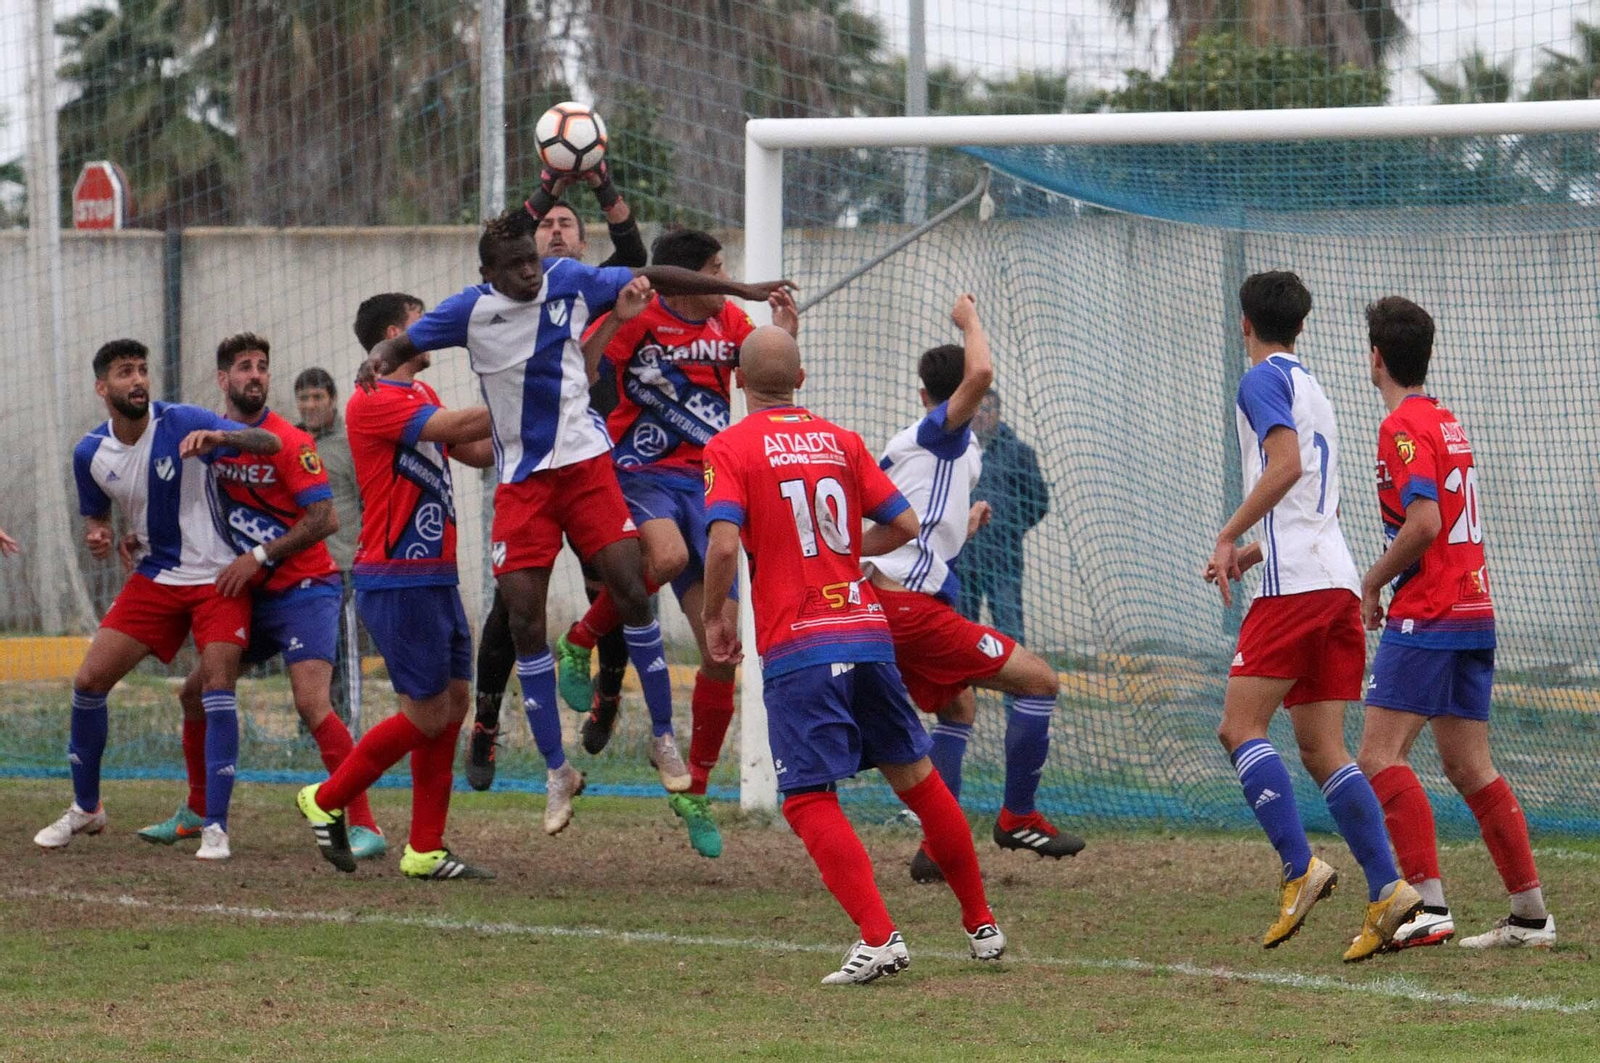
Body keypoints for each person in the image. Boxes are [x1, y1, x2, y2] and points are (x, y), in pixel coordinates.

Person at [360, 210, 794, 836]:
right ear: (489, 274)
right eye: (516, 266)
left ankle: (664, 739)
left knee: (632, 584)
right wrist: (373, 360)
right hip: (530, 483)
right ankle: (556, 770)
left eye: (534, 262)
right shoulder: (465, 311)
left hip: (591, 468)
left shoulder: (567, 277)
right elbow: (399, 345)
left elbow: (648, 269)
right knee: (523, 619)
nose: (531, 274)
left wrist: (747, 293)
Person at [701, 325, 1005, 985]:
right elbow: (904, 525)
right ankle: (982, 923)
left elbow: (724, 545)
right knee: (917, 778)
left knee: (808, 796)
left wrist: (712, 613)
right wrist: (841, 551)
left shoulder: (729, 446)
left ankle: (880, 937)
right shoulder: (841, 440)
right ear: (802, 380)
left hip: (800, 640)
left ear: (739, 382)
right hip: (866, 628)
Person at [554, 228, 799, 857]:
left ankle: (696, 787)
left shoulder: (731, 322)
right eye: (715, 270)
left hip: (711, 480)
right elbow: (581, 373)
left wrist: (784, 332)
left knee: (722, 647)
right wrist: (610, 325)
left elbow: (774, 376)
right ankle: (579, 641)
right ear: (686, 277)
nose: (722, 281)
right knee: (667, 557)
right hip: (640, 474)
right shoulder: (641, 316)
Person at [1205, 271, 1421, 963]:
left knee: (1239, 727)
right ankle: (1388, 887)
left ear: (1246, 323)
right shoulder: (1317, 387)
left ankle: (1301, 867)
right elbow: (1313, 500)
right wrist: (1250, 547)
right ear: (1302, 326)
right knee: (1324, 747)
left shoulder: (1259, 378)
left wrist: (1225, 533)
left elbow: (1287, 468)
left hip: (1292, 587)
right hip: (1333, 577)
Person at [135, 335, 384, 861]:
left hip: (306, 587)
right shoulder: (212, 436)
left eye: (263, 367)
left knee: (311, 701)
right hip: (249, 595)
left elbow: (326, 520)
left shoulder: (290, 440)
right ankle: (198, 811)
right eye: (244, 367)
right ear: (222, 380)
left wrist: (261, 556)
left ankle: (365, 824)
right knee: (193, 694)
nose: (256, 375)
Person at [1354, 297, 1554, 950]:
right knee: (1469, 766)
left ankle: (1426, 905)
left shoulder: (1401, 427)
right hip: (1474, 608)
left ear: (1376, 356)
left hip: (1431, 611)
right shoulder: (1447, 419)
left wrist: (1373, 579)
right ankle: (1530, 914)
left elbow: (1425, 522)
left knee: (1378, 754)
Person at [864, 296, 1083, 884]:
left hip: (894, 603)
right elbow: (981, 372)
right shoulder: (940, 434)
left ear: (920, 394)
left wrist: (966, 523)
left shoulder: (937, 450)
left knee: (958, 705)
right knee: (1039, 681)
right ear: (961, 400)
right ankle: (1017, 816)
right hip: (910, 610)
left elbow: (914, 523)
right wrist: (970, 322)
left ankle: (937, 849)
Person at [35, 339, 280, 859]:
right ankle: (87, 809)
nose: (138, 380)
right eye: (125, 373)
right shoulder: (89, 453)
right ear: (103, 388)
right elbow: (97, 515)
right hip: (156, 577)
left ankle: (215, 825)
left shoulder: (184, 419)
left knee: (216, 687)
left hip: (218, 578)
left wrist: (218, 435)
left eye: (143, 370)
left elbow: (270, 444)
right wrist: (99, 534)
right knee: (89, 681)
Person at [294, 293, 496, 879]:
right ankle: (327, 798)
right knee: (429, 713)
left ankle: (426, 848)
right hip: (397, 576)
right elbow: (461, 425)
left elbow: (475, 448)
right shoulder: (372, 397)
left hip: (435, 573)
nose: (432, 327)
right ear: (394, 333)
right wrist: (526, 388)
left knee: (452, 704)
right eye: (420, 319)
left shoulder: (422, 394)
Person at [466, 163, 648, 790]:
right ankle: (486, 724)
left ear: (582, 241)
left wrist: (602, 184)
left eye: (567, 225)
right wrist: (551, 185)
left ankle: (608, 696)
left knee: (615, 587)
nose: (556, 232)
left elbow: (638, 258)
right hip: (532, 470)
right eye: (546, 225)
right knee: (510, 613)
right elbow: (505, 235)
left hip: (595, 460)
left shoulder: (590, 289)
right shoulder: (515, 291)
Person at [294, 366, 363, 725]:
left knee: (343, 653)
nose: (310, 405)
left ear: (333, 399)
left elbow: (365, 500)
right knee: (307, 655)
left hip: (343, 564)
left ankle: (348, 725)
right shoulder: (292, 440)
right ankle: (309, 733)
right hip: (302, 565)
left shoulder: (349, 444)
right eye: (304, 398)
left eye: (317, 396)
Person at [957, 390, 1048, 642]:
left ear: (998, 414)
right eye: (975, 411)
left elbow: (1038, 502)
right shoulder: (957, 450)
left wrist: (1009, 529)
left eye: (986, 411)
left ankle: (1016, 680)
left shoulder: (1018, 453)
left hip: (1003, 559)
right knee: (962, 630)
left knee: (1010, 629)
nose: (979, 417)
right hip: (963, 557)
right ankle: (962, 682)